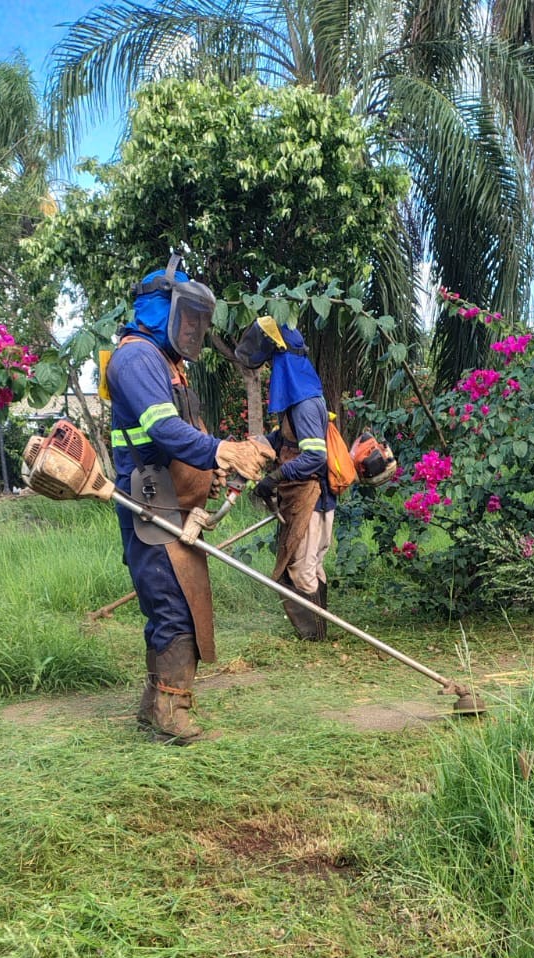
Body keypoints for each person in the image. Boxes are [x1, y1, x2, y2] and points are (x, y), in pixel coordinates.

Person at [106, 257, 268, 743]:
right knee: (171, 604)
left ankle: (154, 702)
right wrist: (223, 450)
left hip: (171, 495)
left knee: (177, 601)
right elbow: (162, 430)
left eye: (200, 321)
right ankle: (170, 710)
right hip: (149, 495)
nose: (195, 329)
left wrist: (209, 472)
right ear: (162, 309)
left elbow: (183, 435)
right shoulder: (136, 358)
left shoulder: (166, 364)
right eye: (189, 318)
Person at [236, 320, 334, 640]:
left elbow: (315, 456)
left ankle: (314, 639)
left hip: (312, 495)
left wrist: (275, 477)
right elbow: (286, 439)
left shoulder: (305, 403)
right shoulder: (299, 400)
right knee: (309, 565)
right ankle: (318, 634)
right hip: (307, 495)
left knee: (302, 568)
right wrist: (256, 446)